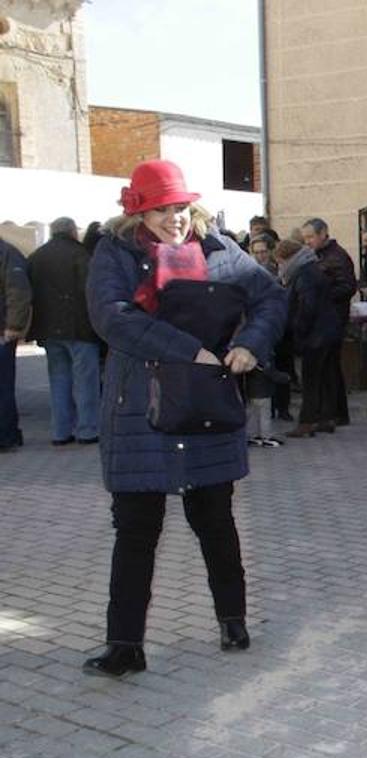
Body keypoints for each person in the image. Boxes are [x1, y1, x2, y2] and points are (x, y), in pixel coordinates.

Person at [82, 159, 286, 677]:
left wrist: (249, 344)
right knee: (135, 531)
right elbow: (112, 318)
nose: (174, 219)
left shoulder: (221, 250)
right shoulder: (117, 254)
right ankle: (125, 644)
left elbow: (270, 298)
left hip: (206, 407)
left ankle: (232, 619)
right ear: (138, 214)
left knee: (215, 521)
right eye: (160, 210)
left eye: (180, 208)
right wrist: (189, 350)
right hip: (140, 411)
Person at [28, 217, 100, 446]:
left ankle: (60, 431)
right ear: (72, 232)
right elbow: (90, 291)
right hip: (79, 328)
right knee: (85, 381)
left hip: (48, 329)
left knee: (58, 380)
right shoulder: (81, 255)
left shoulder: (36, 256)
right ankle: (87, 430)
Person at [275, 239, 343, 438]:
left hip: (315, 335)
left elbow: (307, 307)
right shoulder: (314, 269)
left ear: (287, 258)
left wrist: (299, 331)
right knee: (327, 378)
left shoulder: (303, 274)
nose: (280, 266)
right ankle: (327, 418)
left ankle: (307, 422)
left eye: (280, 261)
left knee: (311, 379)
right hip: (329, 331)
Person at [300, 217, 356, 425]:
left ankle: (331, 413)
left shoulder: (336, 257)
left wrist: (321, 295)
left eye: (311, 237)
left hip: (332, 319)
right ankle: (334, 413)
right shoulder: (318, 256)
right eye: (304, 238)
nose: (307, 241)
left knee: (328, 367)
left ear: (323, 233)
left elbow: (348, 287)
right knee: (328, 368)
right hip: (325, 320)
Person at [0, 236, 31, 453]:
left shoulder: (6, 253)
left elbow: (17, 291)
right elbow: (18, 290)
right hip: (3, 331)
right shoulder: (8, 253)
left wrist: (13, 325)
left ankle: (6, 434)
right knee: (3, 386)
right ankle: (6, 435)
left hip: (2, 331)